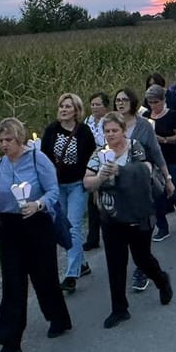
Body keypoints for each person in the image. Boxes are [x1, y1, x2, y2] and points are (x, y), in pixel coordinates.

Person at [0, 118, 72, 352]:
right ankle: (10, 341)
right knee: (12, 282)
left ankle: (58, 318)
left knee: (44, 276)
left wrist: (38, 204)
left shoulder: (36, 159)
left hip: (36, 222)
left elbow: (53, 190)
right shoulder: (0, 164)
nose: (4, 145)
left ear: (19, 138)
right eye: (0, 141)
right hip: (10, 225)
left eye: (8, 140)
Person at [84, 113, 173, 328]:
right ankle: (119, 309)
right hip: (111, 216)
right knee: (115, 263)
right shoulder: (99, 154)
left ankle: (161, 279)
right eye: (107, 131)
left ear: (123, 130)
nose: (111, 135)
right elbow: (87, 182)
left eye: (115, 130)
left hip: (137, 212)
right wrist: (100, 178)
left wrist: (120, 171)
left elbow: (145, 170)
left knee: (142, 258)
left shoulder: (135, 147)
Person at [113, 87, 174, 293]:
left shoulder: (143, 126)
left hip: (141, 185)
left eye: (124, 100)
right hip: (118, 189)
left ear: (132, 102)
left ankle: (145, 272)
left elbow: (156, 153)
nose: (120, 103)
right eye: (117, 100)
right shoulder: (111, 125)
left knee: (141, 239)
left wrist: (167, 178)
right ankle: (119, 302)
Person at [41, 94, 97, 294]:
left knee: (72, 226)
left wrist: (91, 180)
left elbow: (92, 156)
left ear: (76, 111)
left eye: (68, 107)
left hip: (76, 185)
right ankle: (82, 263)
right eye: (61, 106)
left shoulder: (84, 132)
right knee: (64, 227)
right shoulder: (51, 130)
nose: (63, 110)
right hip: (57, 186)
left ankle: (71, 274)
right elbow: (44, 157)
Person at [146, 84, 176, 240]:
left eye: (156, 102)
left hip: (171, 157)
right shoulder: (146, 116)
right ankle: (162, 227)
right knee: (156, 194)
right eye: (150, 102)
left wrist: (163, 140)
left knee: (172, 189)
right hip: (153, 160)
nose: (153, 105)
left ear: (163, 100)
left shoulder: (172, 115)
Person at [82, 92, 109, 252]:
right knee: (92, 202)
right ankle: (93, 237)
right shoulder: (88, 122)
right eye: (92, 104)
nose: (94, 107)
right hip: (91, 162)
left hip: (106, 159)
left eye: (98, 104)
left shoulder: (110, 121)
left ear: (105, 106)